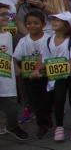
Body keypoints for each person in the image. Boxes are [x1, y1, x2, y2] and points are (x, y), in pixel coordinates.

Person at [45, 12, 71, 143]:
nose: (54, 22)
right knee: (59, 100)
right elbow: (45, 58)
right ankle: (59, 126)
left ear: (67, 26)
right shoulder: (49, 40)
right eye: (53, 20)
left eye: (58, 20)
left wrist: (68, 66)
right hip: (58, 77)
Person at [14, 9, 50, 138]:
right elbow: (16, 57)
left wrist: (41, 68)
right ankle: (42, 125)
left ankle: (48, 119)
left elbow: (51, 56)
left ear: (43, 25)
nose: (32, 26)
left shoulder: (48, 39)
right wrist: (18, 70)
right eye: (28, 23)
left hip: (46, 76)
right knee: (35, 101)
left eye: (36, 23)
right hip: (29, 77)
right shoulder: (24, 41)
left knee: (47, 99)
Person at [0, 3, 28, 141]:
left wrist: (16, 67)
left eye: (7, 14)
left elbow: (10, 55)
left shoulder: (7, 35)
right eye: (2, 14)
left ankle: (12, 126)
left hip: (6, 78)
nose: (6, 17)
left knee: (12, 107)